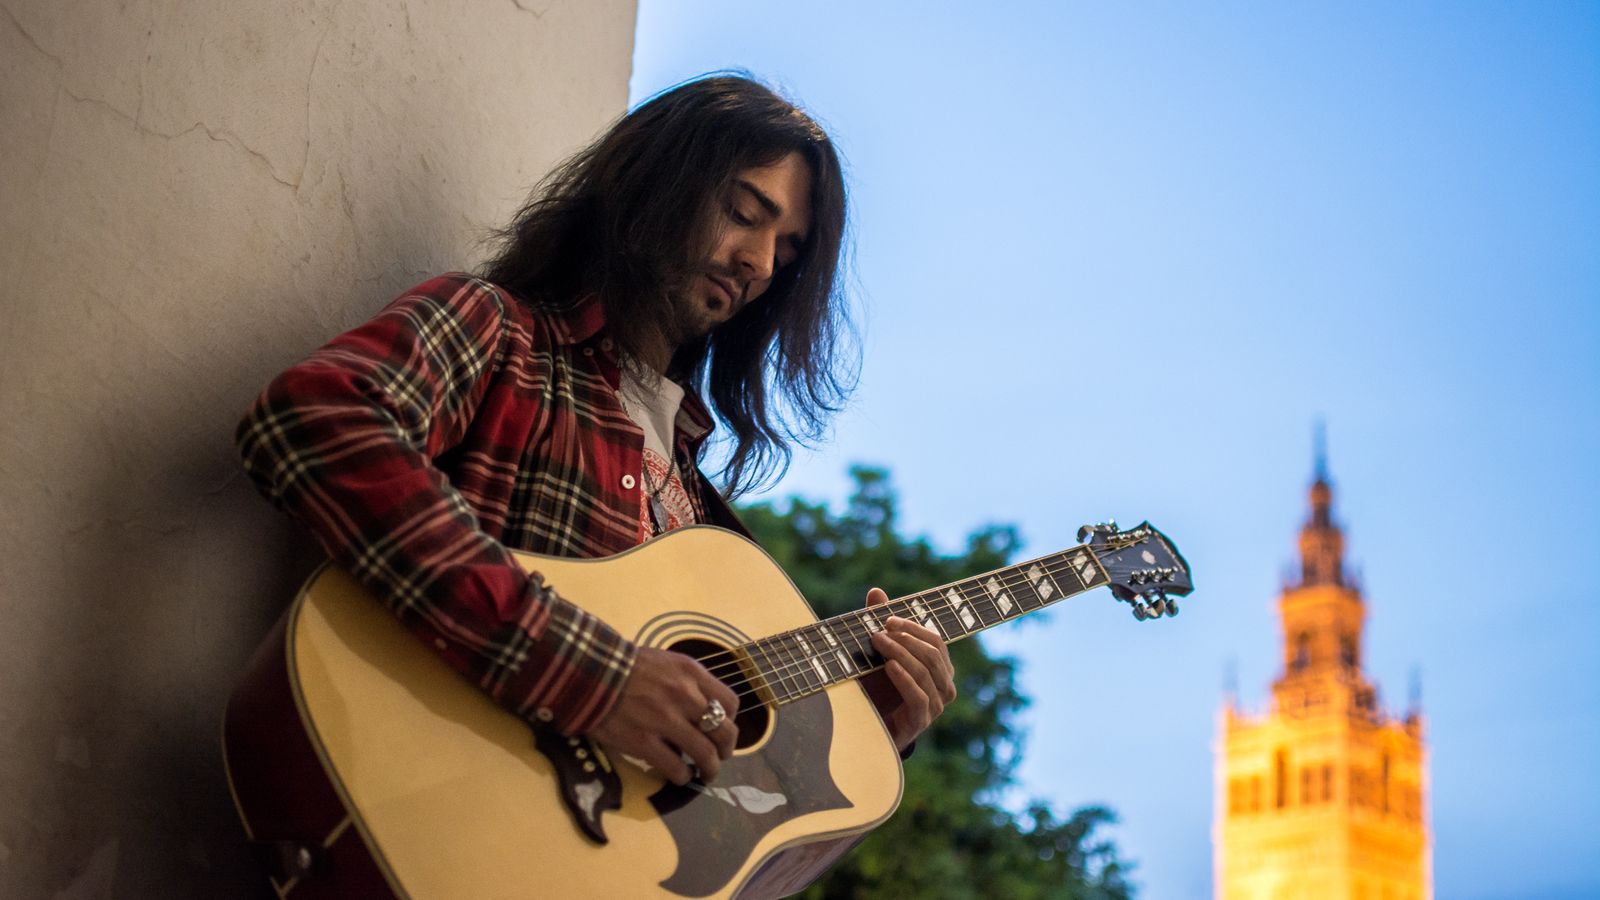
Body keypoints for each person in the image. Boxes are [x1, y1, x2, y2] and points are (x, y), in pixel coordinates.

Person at [235, 74, 955, 894]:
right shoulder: (500, 330)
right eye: (745, 213)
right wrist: (590, 677)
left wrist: (872, 735)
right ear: (656, 183)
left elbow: (726, 869)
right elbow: (314, 418)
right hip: (417, 808)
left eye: (785, 252)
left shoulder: (700, 508)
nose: (757, 264)